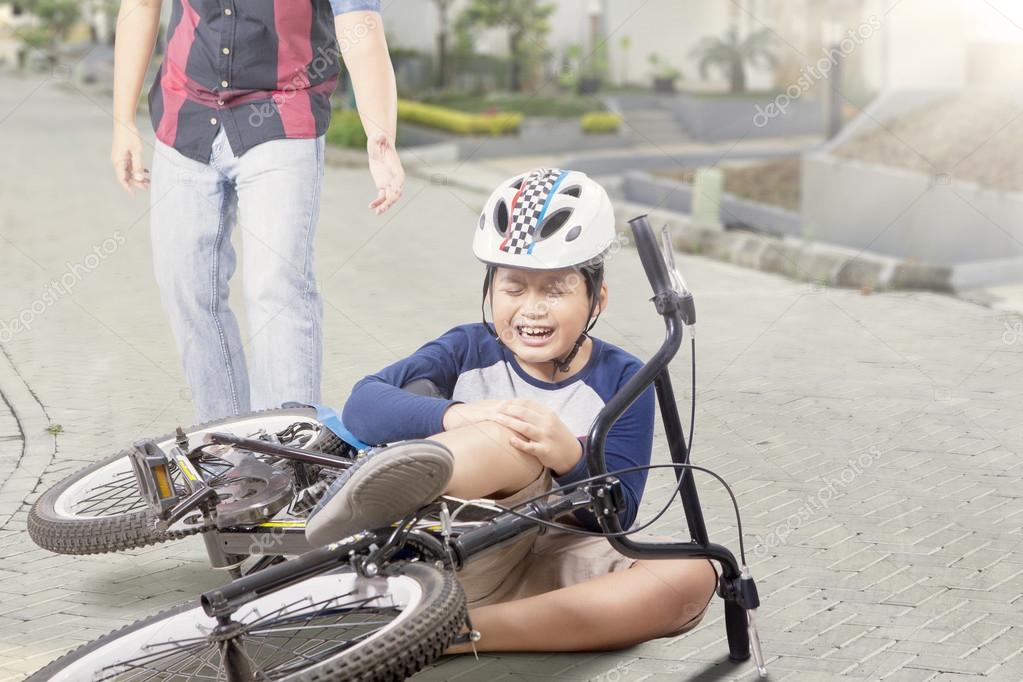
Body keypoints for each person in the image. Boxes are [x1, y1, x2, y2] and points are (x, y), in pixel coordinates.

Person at [305, 168, 718, 652]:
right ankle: (364, 501)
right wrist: (459, 416)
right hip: (460, 545)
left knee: (694, 574)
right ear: (489, 293)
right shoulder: (466, 349)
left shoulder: (625, 379)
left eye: (555, 290)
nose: (532, 309)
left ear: (595, 299)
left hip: (550, 561)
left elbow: (619, 517)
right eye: (514, 288)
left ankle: (443, 634)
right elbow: (362, 405)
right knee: (510, 433)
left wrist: (571, 459)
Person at [110, 0, 404, 421]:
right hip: (186, 110)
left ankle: (288, 453)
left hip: (282, 111)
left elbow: (360, 26)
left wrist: (381, 137)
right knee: (184, 283)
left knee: (277, 286)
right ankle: (226, 447)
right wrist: (123, 121)